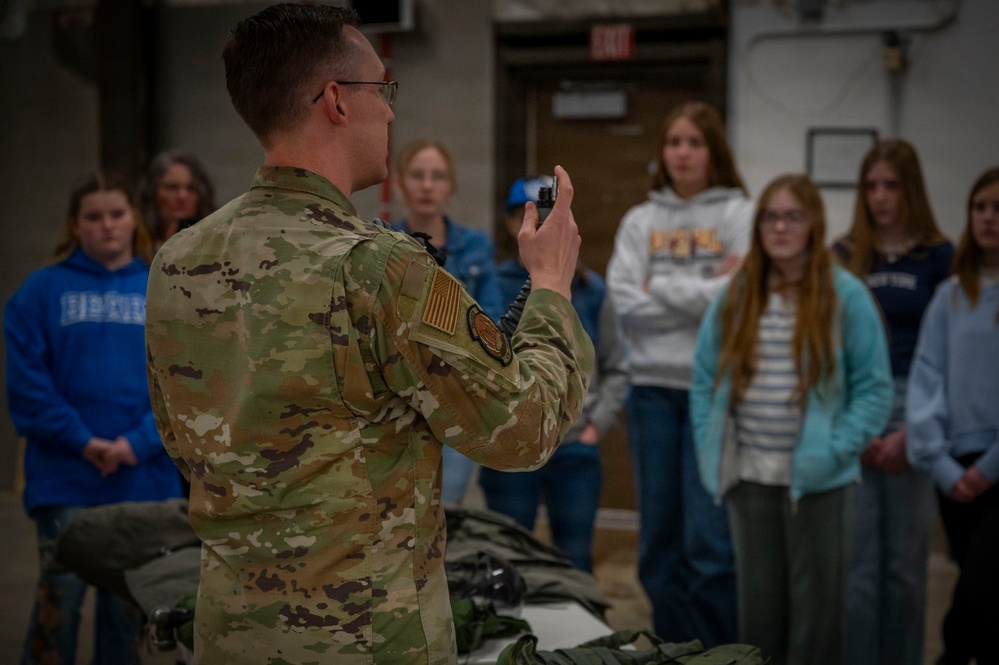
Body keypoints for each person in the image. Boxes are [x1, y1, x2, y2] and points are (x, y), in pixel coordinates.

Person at [143, 5, 594, 664]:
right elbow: (522, 428)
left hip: (228, 633)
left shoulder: (177, 260)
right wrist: (550, 285)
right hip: (366, 640)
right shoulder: (380, 268)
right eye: (381, 90)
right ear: (336, 101)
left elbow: (185, 439)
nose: (389, 110)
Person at [690, 173, 893, 665]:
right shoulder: (736, 295)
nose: (780, 227)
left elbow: (874, 389)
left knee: (816, 623)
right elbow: (704, 381)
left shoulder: (845, 294)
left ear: (814, 224)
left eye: (792, 217)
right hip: (749, 481)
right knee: (759, 620)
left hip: (820, 485)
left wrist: (835, 449)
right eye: (770, 217)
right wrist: (710, 448)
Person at [4, 172, 185, 665]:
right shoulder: (40, 292)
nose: (107, 225)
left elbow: (183, 383)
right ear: (75, 224)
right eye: (94, 216)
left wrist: (138, 443)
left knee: (126, 618)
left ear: (133, 220)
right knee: (55, 610)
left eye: (117, 214)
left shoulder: (163, 288)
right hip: (67, 480)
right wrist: (84, 442)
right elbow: (26, 385)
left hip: (143, 481)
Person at [605, 100, 752, 646]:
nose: (683, 153)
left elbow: (734, 302)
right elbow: (624, 302)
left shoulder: (740, 213)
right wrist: (704, 289)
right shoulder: (641, 221)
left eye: (694, 142)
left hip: (712, 391)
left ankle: (719, 653)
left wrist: (658, 289)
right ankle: (675, 650)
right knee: (659, 542)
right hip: (650, 394)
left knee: (710, 544)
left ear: (713, 151)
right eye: (674, 142)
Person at [833, 140, 954, 665]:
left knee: (904, 570)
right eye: (871, 186)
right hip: (856, 403)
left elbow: (951, 352)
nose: (880, 197)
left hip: (917, 409)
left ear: (911, 190)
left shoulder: (940, 257)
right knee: (857, 567)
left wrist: (917, 431)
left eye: (891, 186)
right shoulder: (842, 255)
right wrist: (852, 426)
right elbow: (829, 344)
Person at [478, 177, 629, 572]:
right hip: (508, 440)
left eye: (552, 215)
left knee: (575, 559)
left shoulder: (591, 289)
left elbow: (616, 365)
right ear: (513, 224)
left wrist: (596, 424)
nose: (543, 225)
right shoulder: (492, 283)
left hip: (576, 444)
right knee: (509, 555)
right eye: (530, 215)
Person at [907, 166, 999, 665]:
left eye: (998, 209)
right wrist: (942, 464)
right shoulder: (950, 295)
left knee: (975, 597)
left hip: (994, 471)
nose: (988, 218)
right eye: (980, 207)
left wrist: (989, 469)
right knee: (979, 590)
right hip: (954, 472)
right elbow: (926, 380)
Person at [390, 138, 505, 505]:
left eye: (437, 176)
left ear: (451, 186)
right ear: (399, 184)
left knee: (447, 506)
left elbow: (491, 322)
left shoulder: (475, 246)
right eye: (417, 175)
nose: (427, 185)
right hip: (397, 398)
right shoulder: (383, 242)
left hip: (458, 396)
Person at [140, 148, 217, 249]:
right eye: (172, 187)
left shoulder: (218, 244)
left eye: (191, 188)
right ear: (153, 192)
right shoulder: (134, 245)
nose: (182, 196)